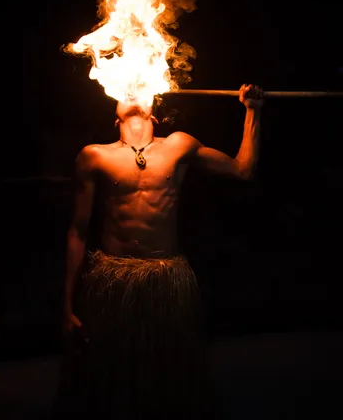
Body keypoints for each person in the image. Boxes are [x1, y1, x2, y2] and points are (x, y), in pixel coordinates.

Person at [53, 84, 264, 418]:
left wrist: (252, 110)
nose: (133, 89)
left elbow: (243, 168)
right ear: (114, 115)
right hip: (113, 281)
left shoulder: (179, 145)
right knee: (111, 380)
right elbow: (78, 230)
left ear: (154, 109)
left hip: (166, 280)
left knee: (167, 378)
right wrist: (66, 305)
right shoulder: (94, 155)